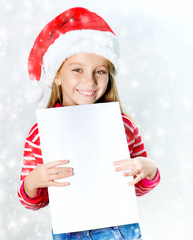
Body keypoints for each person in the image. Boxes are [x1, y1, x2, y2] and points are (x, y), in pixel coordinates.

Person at [18, 7, 160, 240]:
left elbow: (139, 187)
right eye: (77, 70)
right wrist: (34, 181)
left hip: (121, 229)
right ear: (56, 75)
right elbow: (31, 201)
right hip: (70, 230)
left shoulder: (122, 126)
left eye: (100, 71)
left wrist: (148, 168)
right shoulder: (40, 134)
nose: (90, 81)